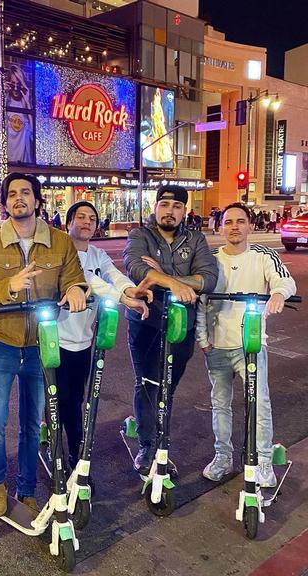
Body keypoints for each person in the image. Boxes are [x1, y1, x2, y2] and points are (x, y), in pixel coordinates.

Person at [0, 172, 87, 517]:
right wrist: (9, 285)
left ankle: (27, 488)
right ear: (4, 203)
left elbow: (75, 279)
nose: (19, 198)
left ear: (37, 200)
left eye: (26, 193)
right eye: (12, 194)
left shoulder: (61, 242)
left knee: (34, 422)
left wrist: (76, 289)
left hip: (41, 346)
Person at [196, 203, 296, 487]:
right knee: (220, 404)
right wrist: (203, 341)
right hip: (216, 346)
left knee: (259, 403)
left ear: (250, 226)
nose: (235, 227)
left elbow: (284, 281)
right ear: (221, 226)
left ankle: (263, 460)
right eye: (229, 222)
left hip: (250, 345)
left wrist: (278, 293)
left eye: (240, 221)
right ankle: (223, 457)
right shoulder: (211, 259)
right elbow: (202, 302)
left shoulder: (264, 255)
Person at [123, 185, 218, 475]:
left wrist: (165, 277)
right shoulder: (140, 236)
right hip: (146, 321)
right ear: (155, 207)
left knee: (168, 387)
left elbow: (209, 278)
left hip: (181, 324)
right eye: (164, 204)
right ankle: (148, 447)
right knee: (148, 384)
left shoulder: (196, 238)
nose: (170, 211)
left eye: (177, 206)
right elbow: (135, 268)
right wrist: (177, 282)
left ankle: (159, 442)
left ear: (184, 212)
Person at [56, 201, 152, 473]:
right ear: (69, 223)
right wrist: (122, 297)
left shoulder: (98, 254)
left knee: (75, 400)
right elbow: (89, 281)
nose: (86, 222)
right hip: (55, 339)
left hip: (83, 341)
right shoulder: (61, 251)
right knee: (62, 402)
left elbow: (113, 275)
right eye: (80, 217)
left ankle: (70, 449)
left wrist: (131, 290)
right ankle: (66, 456)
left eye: (92, 218)